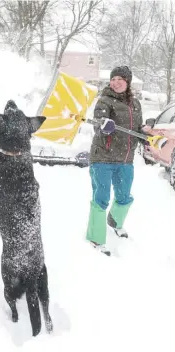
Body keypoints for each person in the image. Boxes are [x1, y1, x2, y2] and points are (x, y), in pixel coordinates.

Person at [86, 66, 143, 256]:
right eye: (113, 79)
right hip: (103, 157)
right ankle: (95, 236)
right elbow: (98, 122)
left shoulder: (135, 104)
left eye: (120, 79)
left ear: (128, 82)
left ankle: (115, 222)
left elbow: (138, 128)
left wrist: (146, 134)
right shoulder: (104, 100)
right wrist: (104, 125)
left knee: (124, 197)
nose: (116, 82)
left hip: (126, 159)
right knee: (101, 198)